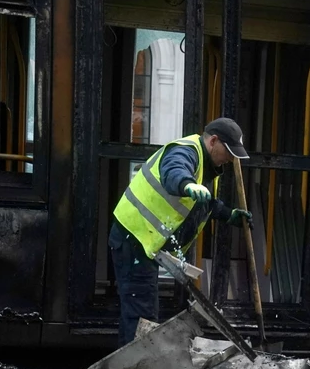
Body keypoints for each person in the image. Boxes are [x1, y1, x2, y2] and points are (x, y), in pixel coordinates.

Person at [108, 117, 253, 346]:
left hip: (144, 242)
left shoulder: (208, 167)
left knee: (142, 313)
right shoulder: (186, 151)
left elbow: (203, 203)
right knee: (141, 317)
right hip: (134, 238)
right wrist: (187, 184)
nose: (231, 158)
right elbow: (174, 172)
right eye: (229, 152)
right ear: (214, 141)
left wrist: (229, 214)